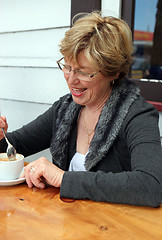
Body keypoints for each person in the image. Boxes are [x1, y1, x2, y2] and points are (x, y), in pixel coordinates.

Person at [0, 12, 162, 207]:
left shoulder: (137, 115)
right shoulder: (65, 109)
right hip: (70, 225)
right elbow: (16, 146)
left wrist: (64, 179)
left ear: (113, 72)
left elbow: (150, 185)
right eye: (67, 66)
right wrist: (2, 138)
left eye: (83, 72)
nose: (71, 79)